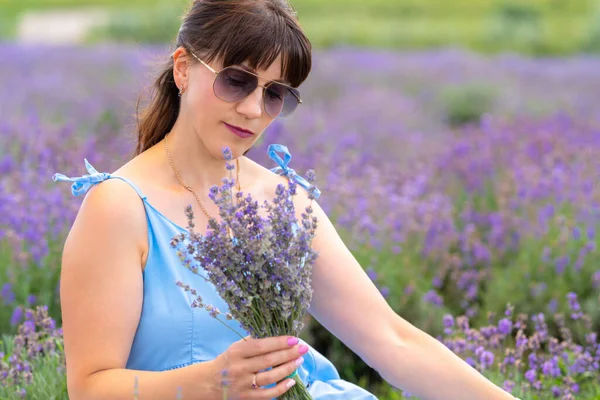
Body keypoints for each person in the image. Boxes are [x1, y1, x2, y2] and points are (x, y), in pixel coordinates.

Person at [53, 0, 522, 399]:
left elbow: (393, 340)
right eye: (236, 81)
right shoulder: (119, 207)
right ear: (182, 68)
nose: (254, 110)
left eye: (275, 94)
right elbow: (90, 387)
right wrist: (210, 383)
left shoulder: (284, 204)